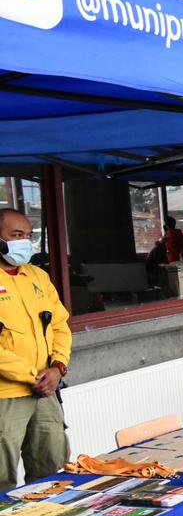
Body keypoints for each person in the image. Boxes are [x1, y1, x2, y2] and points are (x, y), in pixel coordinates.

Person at [0, 208, 71, 492]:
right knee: (2, 478)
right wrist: (34, 376)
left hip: (46, 392)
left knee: (53, 472)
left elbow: (60, 325)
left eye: (28, 236)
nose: (24, 242)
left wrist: (58, 368)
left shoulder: (37, 277)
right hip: (7, 395)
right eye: (16, 235)